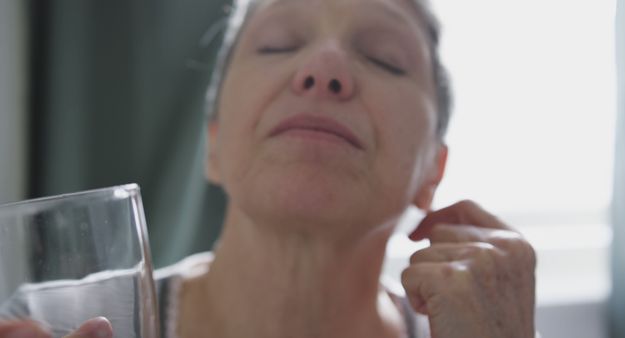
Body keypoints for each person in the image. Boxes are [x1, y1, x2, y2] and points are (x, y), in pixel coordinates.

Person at [0, 0, 537, 337]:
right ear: (212, 144)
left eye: (384, 58)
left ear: (432, 174)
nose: (323, 69)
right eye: (278, 44)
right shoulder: (51, 322)